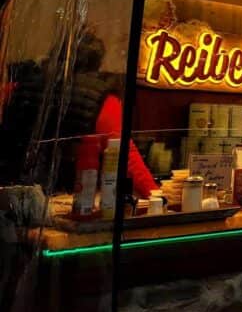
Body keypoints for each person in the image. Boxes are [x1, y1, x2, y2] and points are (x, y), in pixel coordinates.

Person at [1, 30, 158, 198]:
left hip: (11, 190)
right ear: (96, 64)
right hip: (69, 195)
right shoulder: (103, 99)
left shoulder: (18, 86)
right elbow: (125, 155)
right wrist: (155, 194)